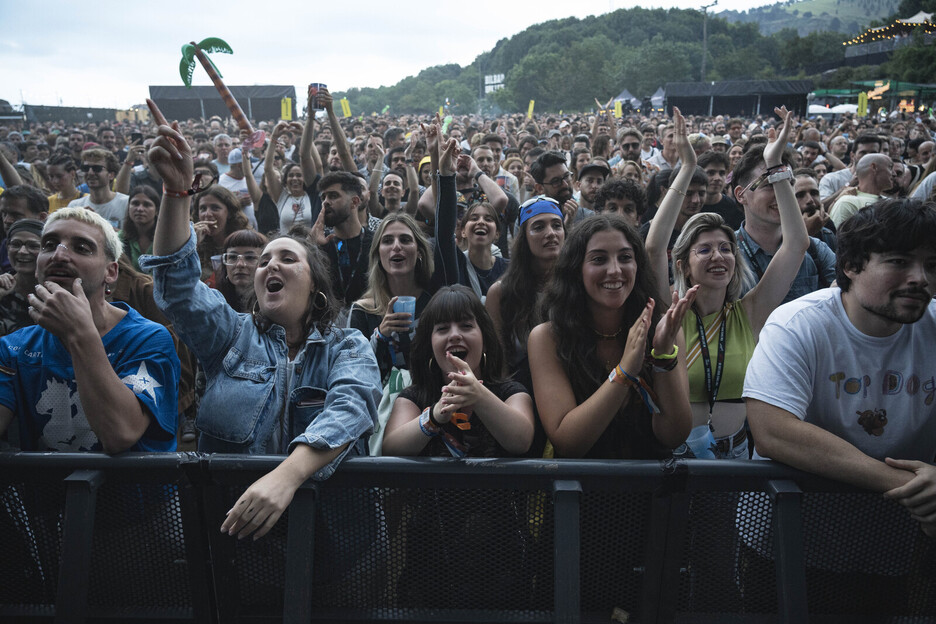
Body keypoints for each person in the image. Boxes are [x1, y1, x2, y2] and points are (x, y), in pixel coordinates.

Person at [140, 99, 381, 540]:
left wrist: (285, 477)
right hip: (237, 540)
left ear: (315, 284)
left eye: (288, 258)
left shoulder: (349, 346)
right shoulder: (230, 335)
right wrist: (176, 193)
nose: (270, 266)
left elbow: (350, 408)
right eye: (264, 261)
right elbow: (177, 289)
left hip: (334, 543)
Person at [647, 106, 807, 458]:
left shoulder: (748, 313)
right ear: (684, 264)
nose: (718, 257)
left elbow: (796, 244)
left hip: (737, 457)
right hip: (677, 456)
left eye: (725, 248)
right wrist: (687, 168)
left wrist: (776, 166)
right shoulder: (670, 313)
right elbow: (654, 246)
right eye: (704, 250)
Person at [0, 207, 180, 452]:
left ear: (111, 271)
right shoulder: (14, 348)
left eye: (82, 248)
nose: (59, 255)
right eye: (49, 245)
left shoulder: (148, 338)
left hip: (130, 489)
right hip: (48, 491)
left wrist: (78, 333)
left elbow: (120, 433)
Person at [527, 213, 696, 459]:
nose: (615, 270)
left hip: (652, 489)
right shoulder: (547, 337)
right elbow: (567, 442)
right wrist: (624, 372)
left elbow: (673, 435)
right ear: (576, 269)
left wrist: (662, 357)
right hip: (580, 490)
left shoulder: (663, 330)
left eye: (625, 258)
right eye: (599, 259)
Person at [382, 284, 535, 457]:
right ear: (430, 346)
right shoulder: (413, 398)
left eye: (466, 326)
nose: (454, 335)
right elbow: (390, 448)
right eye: (442, 329)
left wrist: (479, 396)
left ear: (485, 340)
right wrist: (434, 417)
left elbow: (522, 441)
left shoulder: (512, 393)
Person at [191, 185, 250, 285]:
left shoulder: (245, 241)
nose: (208, 214)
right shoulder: (194, 244)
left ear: (230, 213)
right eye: (203, 208)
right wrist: (192, 245)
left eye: (215, 208)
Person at [0, 219, 43, 336]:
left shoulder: (56, 294)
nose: (22, 251)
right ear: (7, 248)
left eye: (33, 246)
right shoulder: (3, 289)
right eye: (16, 244)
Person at [217, 229, 268, 313]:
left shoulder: (272, 305)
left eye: (250, 257)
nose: (240, 264)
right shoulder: (216, 301)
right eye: (233, 257)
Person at [120, 185, 160, 271]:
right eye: (135, 203)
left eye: (147, 205)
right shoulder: (119, 239)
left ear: (156, 210)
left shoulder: (166, 239)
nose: (140, 209)